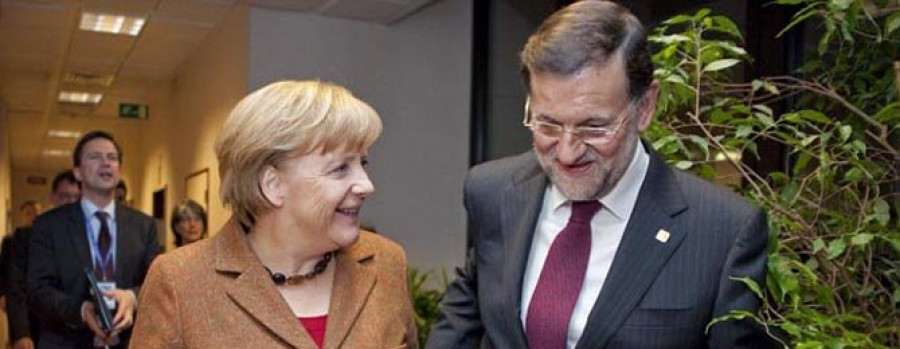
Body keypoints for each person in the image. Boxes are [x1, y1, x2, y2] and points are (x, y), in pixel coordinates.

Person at [426, 1, 774, 348]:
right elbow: (463, 322)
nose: (567, 152)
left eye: (594, 127)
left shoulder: (723, 231)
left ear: (645, 107)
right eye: (547, 123)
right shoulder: (493, 191)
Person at [131, 80, 417, 348]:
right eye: (340, 168)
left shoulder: (386, 263)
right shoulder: (179, 281)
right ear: (273, 185)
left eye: (363, 163)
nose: (367, 185)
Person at [27, 131, 161, 348]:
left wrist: (132, 297)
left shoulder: (144, 226)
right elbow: (37, 289)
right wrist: (81, 309)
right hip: (66, 341)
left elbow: (157, 281)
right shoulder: (49, 225)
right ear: (77, 172)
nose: (105, 163)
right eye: (95, 157)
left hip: (129, 341)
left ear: (119, 170)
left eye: (112, 157)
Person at [5, 171, 81, 349]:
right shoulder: (26, 237)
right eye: (64, 196)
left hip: (76, 332)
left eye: (76, 197)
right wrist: (22, 333)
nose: (70, 202)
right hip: (37, 332)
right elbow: (16, 288)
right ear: (53, 198)